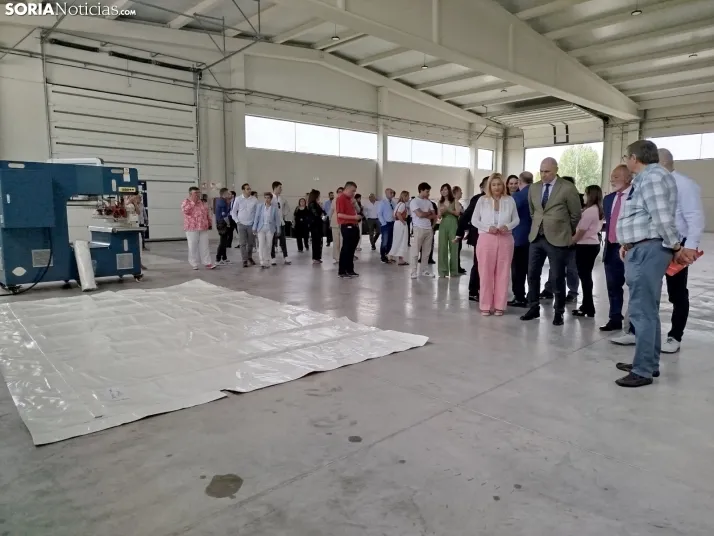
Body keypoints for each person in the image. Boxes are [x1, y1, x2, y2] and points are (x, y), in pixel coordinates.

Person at [613, 140, 691, 388]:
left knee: (642, 311)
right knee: (648, 309)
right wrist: (628, 243)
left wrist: (676, 247)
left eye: (626, 157)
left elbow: (661, 217)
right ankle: (649, 361)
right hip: (643, 247)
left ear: (634, 158)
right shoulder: (648, 177)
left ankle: (643, 369)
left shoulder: (653, 177)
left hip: (648, 249)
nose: (626, 161)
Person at [520, 158, 582, 326]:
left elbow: (575, 214)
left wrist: (564, 230)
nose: (543, 174)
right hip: (536, 238)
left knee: (557, 276)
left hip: (558, 238)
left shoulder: (567, 188)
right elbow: (533, 212)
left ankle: (559, 312)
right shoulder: (534, 188)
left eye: (547, 171)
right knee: (532, 274)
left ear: (556, 170)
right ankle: (533, 307)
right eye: (541, 171)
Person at [472, 173, 519, 315]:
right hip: (486, 239)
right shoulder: (482, 200)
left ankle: (500, 306)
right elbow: (475, 220)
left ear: (503, 186)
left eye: (499, 184)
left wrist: (507, 226)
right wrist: (487, 228)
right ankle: (485, 305)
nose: (496, 187)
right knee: (485, 272)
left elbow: (516, 219)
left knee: (503, 273)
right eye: (493, 185)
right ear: (489, 186)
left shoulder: (509, 200)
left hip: (505, 239)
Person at [599, 165, 632, 332]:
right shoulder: (608, 199)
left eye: (616, 177)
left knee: (634, 287)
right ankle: (615, 318)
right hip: (612, 248)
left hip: (631, 248)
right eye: (612, 177)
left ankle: (633, 324)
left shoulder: (637, 196)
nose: (612, 180)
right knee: (613, 286)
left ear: (628, 178)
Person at [541, 175, 580, 303]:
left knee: (571, 267)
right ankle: (549, 289)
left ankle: (572, 292)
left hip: (571, 238)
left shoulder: (576, 199)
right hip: (555, 238)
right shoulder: (554, 199)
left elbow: (576, 217)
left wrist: (569, 232)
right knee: (554, 266)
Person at [571, 185, 603, 318]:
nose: (583, 197)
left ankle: (588, 307)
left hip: (585, 246)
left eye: (585, 194)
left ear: (591, 195)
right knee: (586, 276)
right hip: (592, 244)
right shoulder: (597, 209)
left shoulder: (590, 211)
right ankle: (586, 305)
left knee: (585, 277)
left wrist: (571, 241)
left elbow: (581, 231)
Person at [456, 177, 488, 301]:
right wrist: (459, 233)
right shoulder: (478, 199)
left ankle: (485, 290)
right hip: (479, 236)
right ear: (483, 187)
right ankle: (473, 291)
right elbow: (466, 216)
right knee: (478, 263)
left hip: (492, 237)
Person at [508, 171, 533, 307]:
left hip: (519, 237)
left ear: (519, 181)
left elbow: (509, 214)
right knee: (532, 269)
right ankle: (532, 296)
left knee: (518, 270)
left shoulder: (518, 196)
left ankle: (519, 296)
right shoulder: (536, 194)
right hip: (534, 237)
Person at [181, 187, 216, 270]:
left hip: (203, 227)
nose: (198, 194)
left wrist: (210, 223)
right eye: (195, 193)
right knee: (193, 246)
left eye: (198, 192)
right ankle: (193, 263)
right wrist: (193, 202)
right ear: (190, 194)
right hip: (191, 228)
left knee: (205, 246)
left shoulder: (202, 202)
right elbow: (186, 211)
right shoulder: (186, 202)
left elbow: (207, 213)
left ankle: (207, 262)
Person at [410, 183, 437, 279]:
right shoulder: (414, 202)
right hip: (418, 228)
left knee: (426, 252)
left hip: (428, 229)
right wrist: (427, 213)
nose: (428, 193)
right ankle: (413, 272)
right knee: (416, 251)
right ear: (421, 190)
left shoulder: (429, 202)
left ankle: (424, 270)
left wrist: (426, 215)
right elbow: (419, 215)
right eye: (427, 191)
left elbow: (434, 215)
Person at [336, 182, 361, 278]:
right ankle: (342, 271)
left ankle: (350, 270)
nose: (354, 193)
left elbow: (357, 210)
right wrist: (354, 217)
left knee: (351, 249)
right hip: (347, 226)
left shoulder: (350, 199)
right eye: (352, 191)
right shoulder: (341, 198)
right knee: (346, 249)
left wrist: (354, 204)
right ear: (347, 189)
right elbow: (339, 215)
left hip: (354, 225)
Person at [231, 183, 259, 267]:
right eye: (247, 189)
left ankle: (249, 257)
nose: (249, 190)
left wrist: (255, 223)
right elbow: (233, 212)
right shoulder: (238, 199)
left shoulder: (254, 199)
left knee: (250, 243)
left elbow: (257, 212)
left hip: (251, 224)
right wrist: (237, 221)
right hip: (241, 224)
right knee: (242, 243)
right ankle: (244, 260)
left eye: (250, 189)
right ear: (243, 190)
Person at [253, 192, 282, 269]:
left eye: (268, 198)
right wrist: (254, 227)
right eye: (265, 197)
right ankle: (261, 261)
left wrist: (278, 229)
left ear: (271, 199)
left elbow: (277, 220)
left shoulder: (274, 208)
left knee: (269, 245)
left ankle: (267, 260)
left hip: (270, 228)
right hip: (261, 228)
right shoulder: (260, 206)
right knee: (261, 244)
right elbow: (256, 217)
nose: (267, 199)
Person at [437, 183, 461, 278]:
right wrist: (440, 213)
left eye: (445, 189)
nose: (443, 191)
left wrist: (448, 210)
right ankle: (443, 271)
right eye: (442, 190)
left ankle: (454, 271)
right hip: (443, 224)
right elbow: (439, 216)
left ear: (449, 190)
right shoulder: (440, 202)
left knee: (454, 247)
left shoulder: (454, 200)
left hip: (453, 224)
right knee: (442, 247)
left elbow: (458, 213)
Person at [270, 181, 291, 266]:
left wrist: (283, 214)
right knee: (272, 241)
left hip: (281, 222)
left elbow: (287, 208)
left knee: (283, 240)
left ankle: (286, 257)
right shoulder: (270, 198)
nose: (281, 189)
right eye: (280, 187)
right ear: (275, 188)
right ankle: (273, 258)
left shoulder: (282, 198)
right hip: (273, 223)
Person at [388, 190, 410, 265]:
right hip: (401, 223)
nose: (409, 198)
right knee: (401, 241)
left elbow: (394, 215)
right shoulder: (403, 204)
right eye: (408, 196)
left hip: (397, 223)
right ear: (405, 196)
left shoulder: (398, 204)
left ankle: (395, 257)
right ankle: (392, 256)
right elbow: (398, 214)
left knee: (398, 240)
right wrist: (403, 222)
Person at [307, 189, 326, 264]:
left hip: (319, 225)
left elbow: (323, 212)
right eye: (318, 195)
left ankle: (318, 257)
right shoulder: (312, 204)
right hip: (315, 226)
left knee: (319, 241)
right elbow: (316, 214)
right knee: (316, 242)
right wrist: (321, 213)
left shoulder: (317, 204)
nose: (319, 196)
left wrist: (321, 209)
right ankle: (315, 257)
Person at [214, 188, 232, 265]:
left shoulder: (220, 201)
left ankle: (224, 258)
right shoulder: (222, 202)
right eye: (228, 193)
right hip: (222, 223)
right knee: (223, 242)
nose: (229, 195)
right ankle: (218, 259)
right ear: (224, 194)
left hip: (221, 222)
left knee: (224, 241)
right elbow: (224, 215)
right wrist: (228, 223)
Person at [378, 188, 396, 263]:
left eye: (392, 192)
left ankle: (388, 256)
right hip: (386, 224)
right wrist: (383, 223)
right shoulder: (382, 202)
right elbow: (379, 214)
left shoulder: (393, 203)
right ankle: (383, 256)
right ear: (386, 193)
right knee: (384, 241)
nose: (392, 194)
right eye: (390, 192)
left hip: (392, 223)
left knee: (390, 241)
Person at [452, 186, 467, 274]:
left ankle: (457, 266)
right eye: (460, 191)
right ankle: (455, 266)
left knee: (459, 247)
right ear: (456, 192)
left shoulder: (458, 203)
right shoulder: (454, 203)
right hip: (455, 227)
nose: (461, 193)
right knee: (456, 248)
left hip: (460, 227)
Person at [330, 186, 344, 263]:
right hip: (335, 222)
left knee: (343, 241)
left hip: (344, 223)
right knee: (336, 242)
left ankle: (343, 257)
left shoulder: (347, 200)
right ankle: (337, 257)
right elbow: (331, 211)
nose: (340, 193)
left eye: (341, 191)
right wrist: (329, 220)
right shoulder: (334, 200)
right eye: (338, 192)